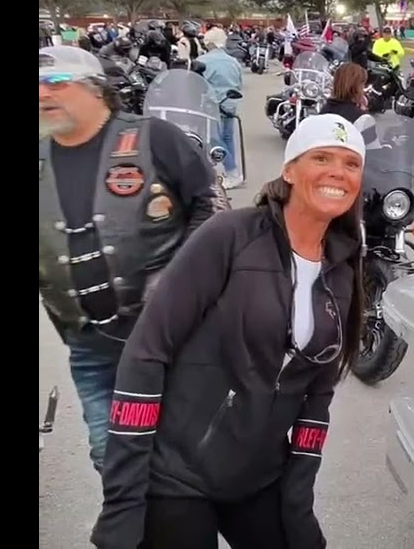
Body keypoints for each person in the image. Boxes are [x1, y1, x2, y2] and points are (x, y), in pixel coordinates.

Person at [91, 114, 369, 549]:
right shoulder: (231, 235)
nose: (338, 171)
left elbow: (318, 394)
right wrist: (123, 504)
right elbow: (147, 351)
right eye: (322, 157)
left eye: (351, 163)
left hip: (259, 476)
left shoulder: (342, 267)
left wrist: (298, 505)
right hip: (178, 472)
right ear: (290, 170)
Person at [39, 46, 219, 474]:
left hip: (172, 337)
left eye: (54, 83)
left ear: (95, 88)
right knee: (112, 456)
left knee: (188, 449)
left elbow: (209, 209)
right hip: (88, 344)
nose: (42, 94)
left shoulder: (155, 138)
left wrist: (181, 283)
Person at [196, 32, 245, 189]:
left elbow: (196, 83)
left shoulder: (203, 61)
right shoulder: (233, 61)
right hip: (230, 103)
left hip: (212, 104)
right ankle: (232, 171)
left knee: (214, 140)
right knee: (227, 138)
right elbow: (239, 82)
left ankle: (232, 172)